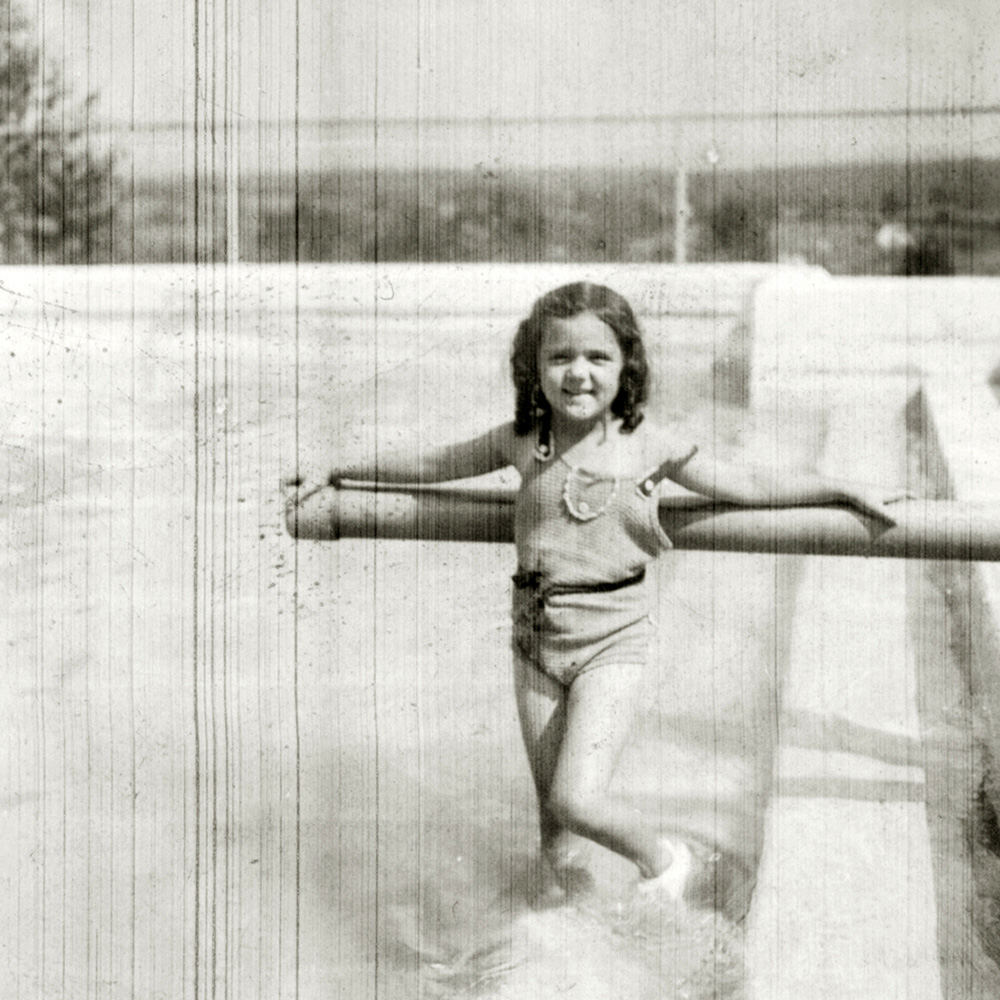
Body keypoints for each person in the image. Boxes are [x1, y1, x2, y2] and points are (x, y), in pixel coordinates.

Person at [286, 281, 904, 906]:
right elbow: (431, 465)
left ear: (626, 366)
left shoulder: (651, 445)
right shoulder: (524, 441)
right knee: (554, 825)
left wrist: (836, 487)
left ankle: (664, 859)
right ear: (533, 367)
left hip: (612, 645)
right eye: (560, 358)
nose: (578, 373)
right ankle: (570, 922)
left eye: (598, 358)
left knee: (577, 798)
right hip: (534, 641)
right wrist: (339, 465)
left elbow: (744, 483)